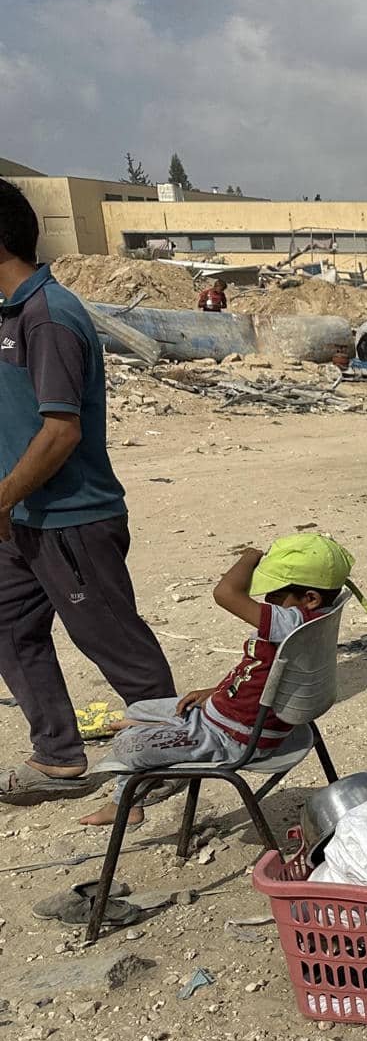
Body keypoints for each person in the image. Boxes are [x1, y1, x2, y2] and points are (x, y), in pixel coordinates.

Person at [0, 178, 177, 805]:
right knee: (9, 626)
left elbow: (60, 432)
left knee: (112, 640)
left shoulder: (48, 316)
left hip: (70, 517)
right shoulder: (10, 314)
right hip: (22, 516)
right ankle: (57, 756)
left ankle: (166, 760)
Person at [75, 537, 364, 830]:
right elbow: (261, 675)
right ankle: (157, 744)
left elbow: (225, 593)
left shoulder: (293, 622)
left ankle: (125, 805)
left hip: (233, 737)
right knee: (138, 710)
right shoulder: (315, 620)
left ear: (310, 598)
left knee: (127, 745)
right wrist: (217, 691)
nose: (267, 600)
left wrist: (250, 556)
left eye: (275, 595)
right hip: (231, 715)